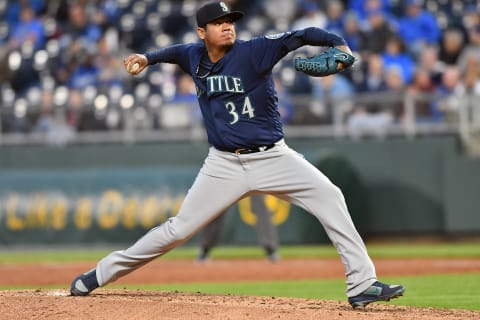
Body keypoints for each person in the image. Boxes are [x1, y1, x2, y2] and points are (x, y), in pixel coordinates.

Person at [70, 1, 405, 308]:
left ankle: (362, 283)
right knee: (177, 230)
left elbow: (301, 35)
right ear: (203, 33)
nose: (227, 25)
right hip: (224, 164)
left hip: (273, 158)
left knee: (330, 196)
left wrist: (338, 44)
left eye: (229, 20)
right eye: (218, 23)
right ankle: (99, 274)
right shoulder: (193, 55)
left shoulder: (255, 50)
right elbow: (174, 52)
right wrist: (146, 58)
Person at [197, 195, 279, 263]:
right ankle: (205, 249)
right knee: (219, 205)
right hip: (230, 176)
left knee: (260, 204)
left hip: (252, 175)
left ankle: (271, 250)